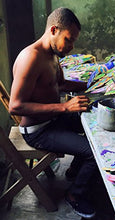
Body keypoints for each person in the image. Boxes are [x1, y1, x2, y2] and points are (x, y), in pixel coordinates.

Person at [9, 7, 97, 219]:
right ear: (54, 30)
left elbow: (61, 84)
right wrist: (64, 107)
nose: (71, 46)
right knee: (94, 152)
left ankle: (74, 172)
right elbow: (15, 106)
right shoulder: (30, 58)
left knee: (93, 122)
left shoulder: (53, 54)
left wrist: (94, 84)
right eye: (69, 39)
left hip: (53, 119)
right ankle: (74, 195)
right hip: (38, 131)